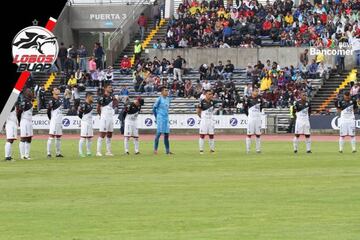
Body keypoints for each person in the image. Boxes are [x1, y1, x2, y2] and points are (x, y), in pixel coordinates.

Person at [96, 84, 117, 157]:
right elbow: (98, 108)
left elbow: (114, 106)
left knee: (109, 134)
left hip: (110, 117)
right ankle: (98, 151)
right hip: (104, 117)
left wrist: (115, 100)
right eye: (109, 87)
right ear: (105, 88)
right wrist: (101, 115)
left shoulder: (112, 97)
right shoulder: (102, 97)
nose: (111, 88)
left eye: (111, 87)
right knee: (102, 134)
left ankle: (108, 151)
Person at [153, 86, 172, 154]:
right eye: (165, 90)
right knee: (159, 133)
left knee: (167, 134)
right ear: (162, 92)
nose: (167, 92)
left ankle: (167, 150)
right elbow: (154, 108)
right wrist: (156, 117)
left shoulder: (168, 99)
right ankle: (155, 150)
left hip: (166, 118)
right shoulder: (159, 99)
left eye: (167, 90)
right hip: (160, 117)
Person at [244, 88, 264, 153]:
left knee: (258, 134)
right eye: (256, 91)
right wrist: (248, 115)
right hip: (251, 118)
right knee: (249, 134)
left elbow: (262, 107)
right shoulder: (248, 99)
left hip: (258, 118)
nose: (257, 92)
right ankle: (248, 149)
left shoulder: (260, 99)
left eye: (258, 91)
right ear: (252, 92)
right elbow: (245, 108)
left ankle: (258, 149)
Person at [47, 87, 64, 158]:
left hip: (59, 121)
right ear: (53, 92)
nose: (58, 90)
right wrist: (51, 119)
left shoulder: (60, 100)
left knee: (58, 137)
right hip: (54, 121)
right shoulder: (51, 100)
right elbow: (48, 111)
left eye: (57, 89)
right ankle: (48, 153)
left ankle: (58, 153)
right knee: (51, 137)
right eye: (56, 89)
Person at [197, 90, 216, 154]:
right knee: (202, 135)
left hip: (211, 120)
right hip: (204, 120)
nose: (211, 95)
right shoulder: (202, 102)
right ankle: (201, 150)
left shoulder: (212, 102)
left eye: (211, 94)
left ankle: (212, 150)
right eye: (209, 94)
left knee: (211, 135)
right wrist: (202, 117)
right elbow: (198, 111)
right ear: (206, 95)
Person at [17, 89, 33, 160]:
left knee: (29, 138)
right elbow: (19, 113)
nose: (31, 93)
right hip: (24, 121)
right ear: (26, 93)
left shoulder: (31, 102)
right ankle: (22, 155)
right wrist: (19, 121)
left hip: (30, 122)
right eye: (29, 92)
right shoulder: (24, 102)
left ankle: (27, 155)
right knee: (23, 138)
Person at [78, 92, 94, 157]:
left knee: (89, 138)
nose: (92, 98)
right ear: (88, 97)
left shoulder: (91, 105)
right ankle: (80, 152)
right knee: (83, 137)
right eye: (91, 97)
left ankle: (88, 152)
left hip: (90, 123)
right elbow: (79, 114)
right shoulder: (83, 105)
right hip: (85, 123)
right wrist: (84, 120)